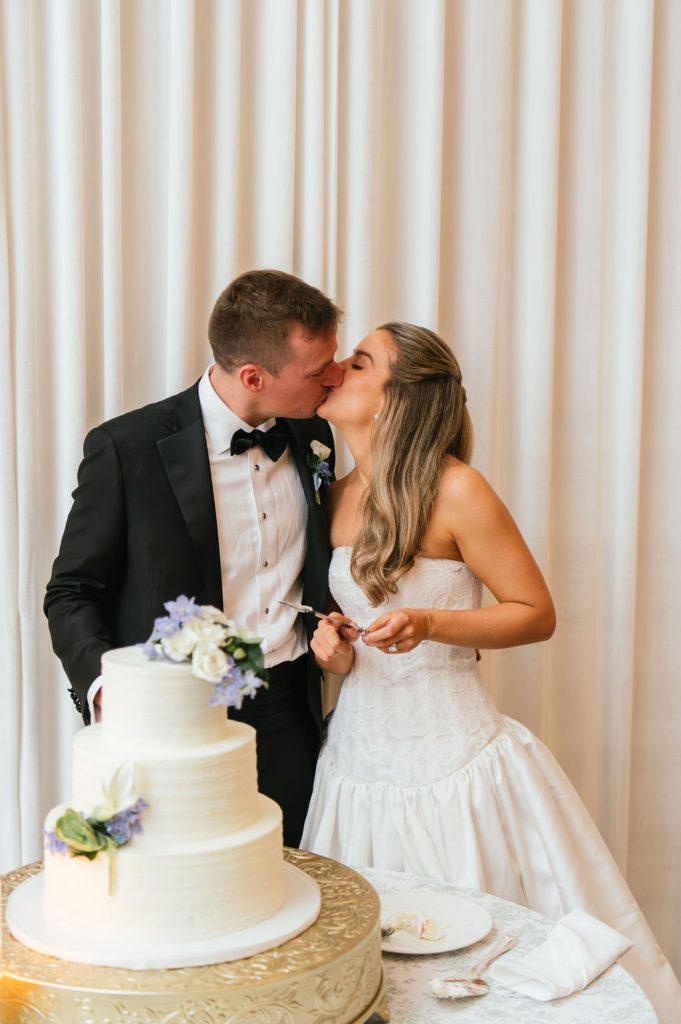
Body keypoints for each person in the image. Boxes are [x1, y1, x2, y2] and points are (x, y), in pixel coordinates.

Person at [300, 322, 681, 1021]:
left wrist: (430, 623)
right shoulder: (331, 494)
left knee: (479, 957)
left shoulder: (456, 489)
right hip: (354, 760)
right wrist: (337, 648)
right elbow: (351, 624)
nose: (336, 369)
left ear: (397, 397)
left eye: (359, 362)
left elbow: (535, 612)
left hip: (457, 762)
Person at [44, 268, 343, 847]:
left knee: (287, 875)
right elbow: (72, 592)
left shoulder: (316, 435)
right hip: (175, 715)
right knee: (187, 879)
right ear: (253, 376)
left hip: (290, 709)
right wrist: (110, 690)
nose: (335, 376)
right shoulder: (126, 448)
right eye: (318, 370)